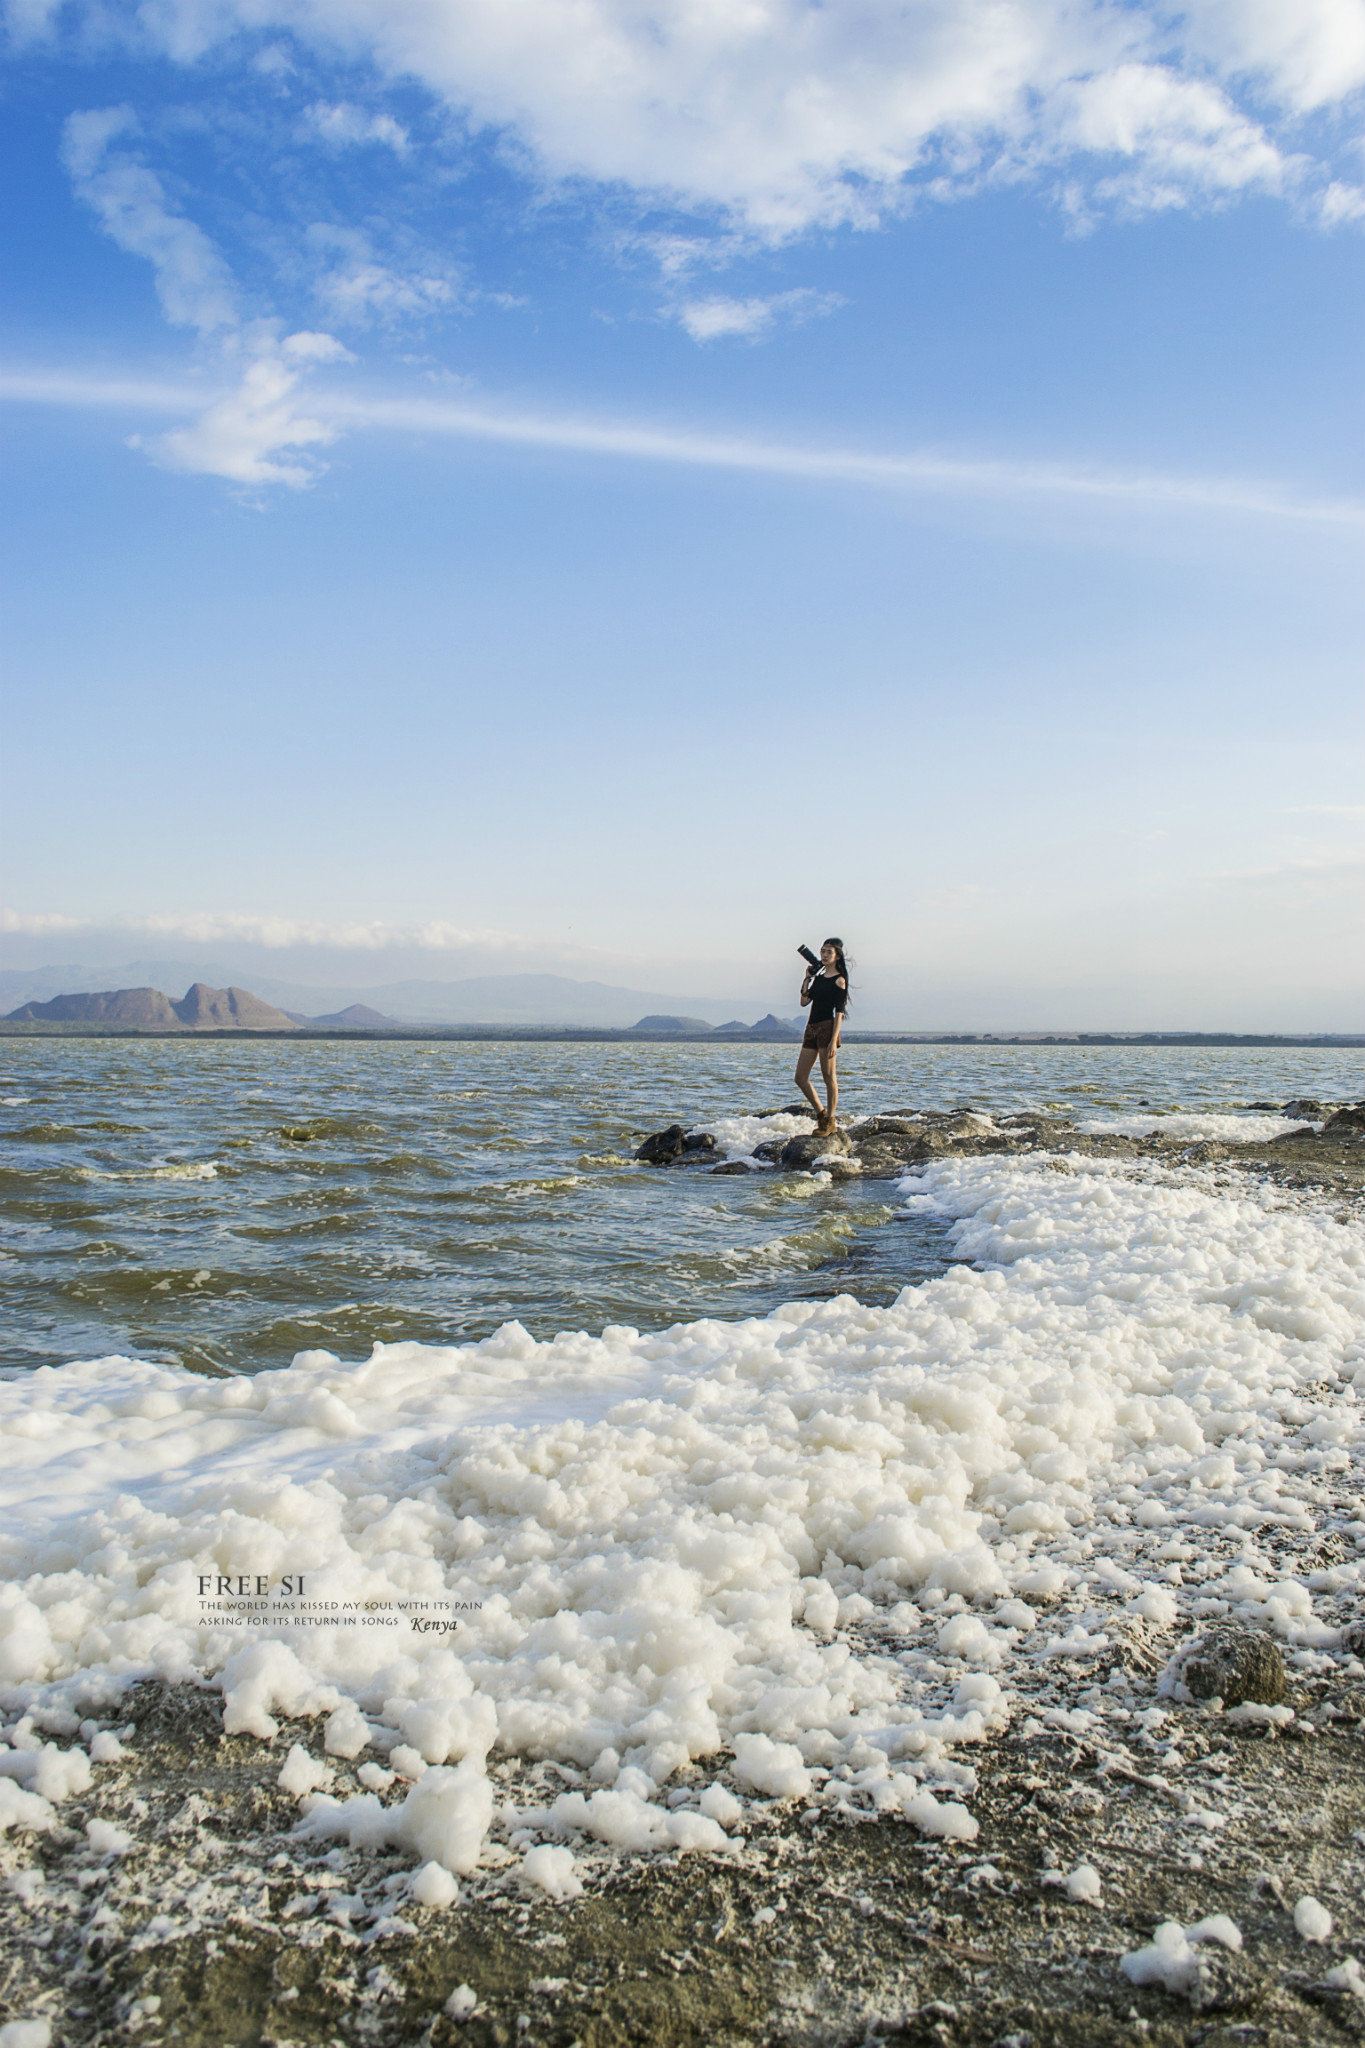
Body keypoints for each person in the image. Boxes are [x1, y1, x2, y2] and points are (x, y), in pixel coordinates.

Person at [795, 938, 849, 1132]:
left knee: (828, 1076)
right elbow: (803, 1001)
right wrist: (807, 978)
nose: (824, 955)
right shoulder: (818, 979)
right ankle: (821, 1113)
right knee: (800, 1077)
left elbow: (839, 1012)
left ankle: (830, 1121)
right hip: (811, 1028)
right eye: (823, 951)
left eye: (829, 952)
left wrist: (834, 1039)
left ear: (837, 956)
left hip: (828, 1029)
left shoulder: (840, 980)